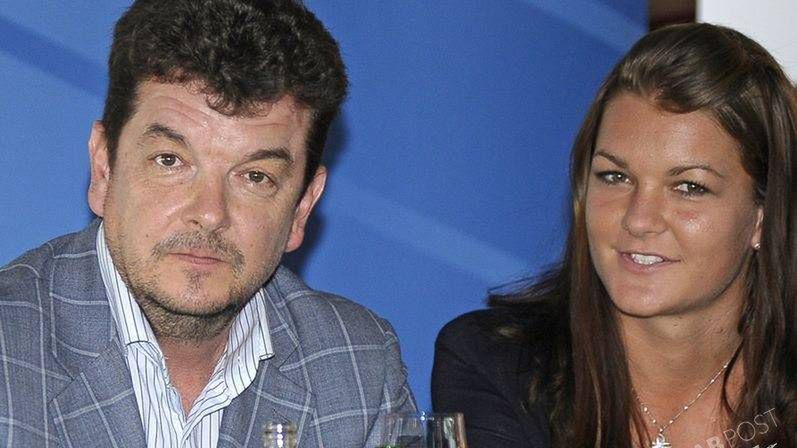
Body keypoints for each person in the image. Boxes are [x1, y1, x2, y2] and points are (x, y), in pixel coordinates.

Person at [0, 1, 416, 447]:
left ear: (301, 207)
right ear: (104, 168)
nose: (211, 212)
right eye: (170, 160)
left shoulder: (358, 368)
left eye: (255, 177)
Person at [432, 23, 796, 448]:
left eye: (688, 187)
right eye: (615, 176)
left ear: (763, 217)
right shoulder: (498, 365)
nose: (639, 219)